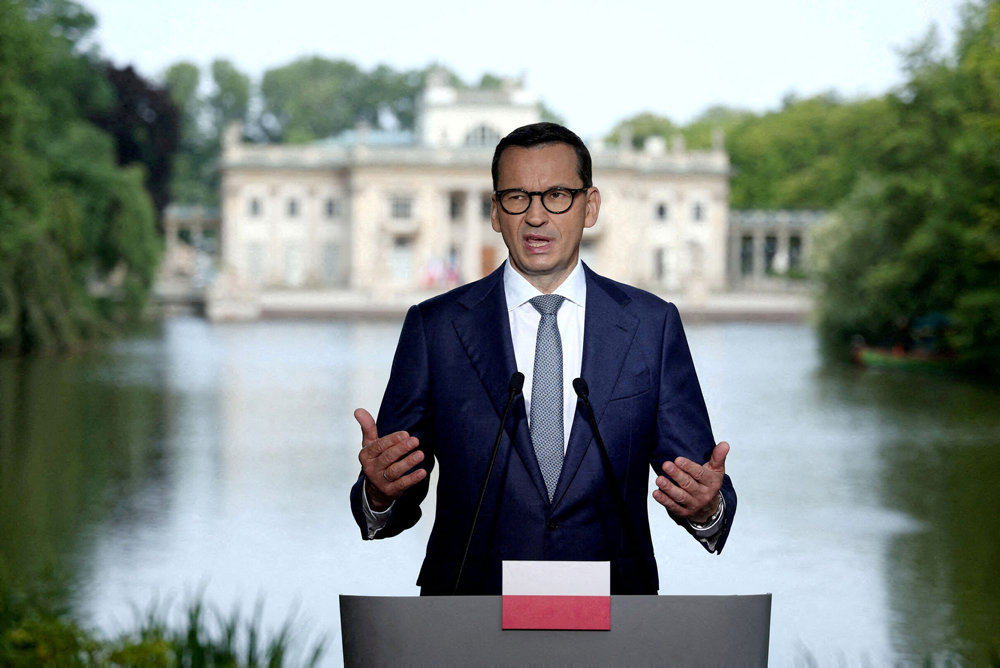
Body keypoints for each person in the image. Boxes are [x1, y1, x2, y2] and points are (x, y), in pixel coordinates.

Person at [350, 122, 735, 595]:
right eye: (517, 197)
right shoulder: (435, 329)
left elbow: (698, 479)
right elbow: (394, 495)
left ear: (589, 206)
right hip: (468, 617)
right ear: (495, 211)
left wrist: (706, 508)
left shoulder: (651, 326)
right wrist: (379, 493)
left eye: (557, 195)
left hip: (613, 617)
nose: (536, 216)